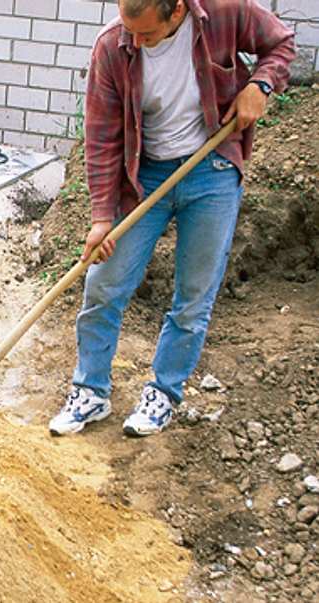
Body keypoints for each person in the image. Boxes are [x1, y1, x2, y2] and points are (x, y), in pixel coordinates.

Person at [49, 0, 295, 437]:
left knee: (194, 295)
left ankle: (162, 392)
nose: (136, 42)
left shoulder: (224, 13)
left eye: (146, 34)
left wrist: (261, 85)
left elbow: (281, 44)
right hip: (144, 176)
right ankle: (91, 390)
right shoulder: (113, 46)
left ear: (178, 10)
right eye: (130, 31)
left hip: (211, 169)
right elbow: (102, 136)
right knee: (104, 283)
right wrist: (101, 217)